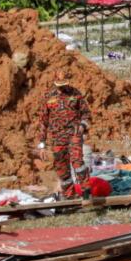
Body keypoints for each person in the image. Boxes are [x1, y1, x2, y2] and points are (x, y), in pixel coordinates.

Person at [37, 70, 91, 198]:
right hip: (57, 137)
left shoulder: (75, 93)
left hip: (74, 133)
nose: (62, 87)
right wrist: (42, 145)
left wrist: (83, 126)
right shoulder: (48, 96)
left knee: (77, 161)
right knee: (61, 167)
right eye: (59, 84)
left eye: (64, 83)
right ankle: (69, 196)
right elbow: (43, 122)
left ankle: (86, 192)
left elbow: (86, 114)